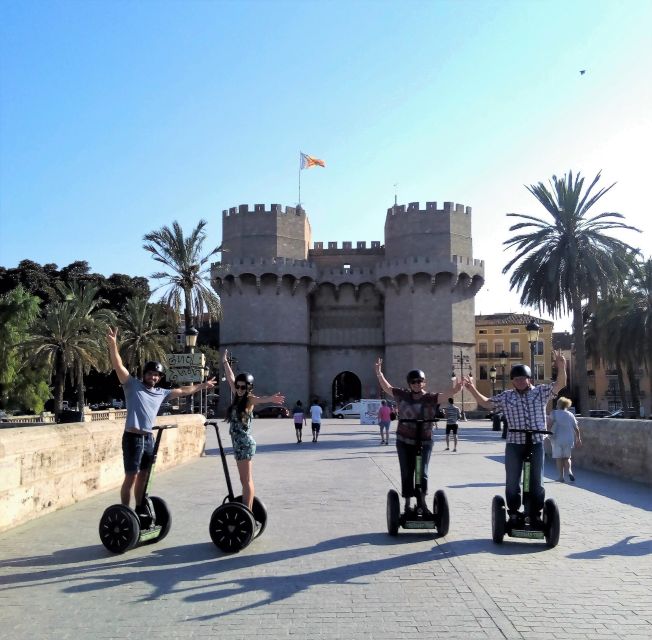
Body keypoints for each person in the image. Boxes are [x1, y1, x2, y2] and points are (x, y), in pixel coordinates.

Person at [106, 327, 217, 508]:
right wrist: (113, 346)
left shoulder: (161, 393)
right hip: (133, 438)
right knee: (131, 477)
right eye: (150, 374)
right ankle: (125, 512)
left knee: (144, 476)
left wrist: (203, 385)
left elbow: (182, 391)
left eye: (156, 375)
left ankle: (139, 509)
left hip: (148, 439)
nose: (153, 377)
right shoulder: (131, 385)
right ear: (145, 374)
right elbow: (118, 366)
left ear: (159, 377)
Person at [463, 350, 567, 523]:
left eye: (522, 378)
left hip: (535, 442)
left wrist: (561, 366)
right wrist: (472, 389)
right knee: (512, 481)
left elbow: (560, 384)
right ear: (512, 381)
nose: (519, 381)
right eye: (516, 379)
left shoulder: (540, 392)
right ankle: (513, 511)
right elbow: (486, 403)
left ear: (529, 379)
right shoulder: (506, 396)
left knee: (537, 481)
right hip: (514, 444)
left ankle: (535, 512)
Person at [375, 358, 462, 513]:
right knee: (407, 471)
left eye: (419, 381)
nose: (417, 384)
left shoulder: (430, 398)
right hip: (404, 440)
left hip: (425, 441)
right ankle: (408, 504)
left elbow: (445, 395)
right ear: (409, 383)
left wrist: (457, 388)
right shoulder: (402, 395)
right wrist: (379, 373)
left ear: (424, 382)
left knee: (423, 472)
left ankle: (422, 502)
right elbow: (387, 388)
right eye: (414, 382)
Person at [222, 350, 284, 510]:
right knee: (244, 480)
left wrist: (272, 399)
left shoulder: (249, 399)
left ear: (249, 388)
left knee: (246, 480)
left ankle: (247, 512)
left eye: (244, 387)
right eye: (238, 386)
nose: (240, 388)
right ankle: (247, 508)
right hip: (238, 443)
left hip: (244, 443)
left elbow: (260, 400)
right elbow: (230, 378)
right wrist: (225, 362)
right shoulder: (237, 396)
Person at [549, 396, 581, 482]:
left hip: (557, 438)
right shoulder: (570, 414)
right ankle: (569, 471)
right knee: (567, 457)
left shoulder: (554, 413)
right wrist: (578, 439)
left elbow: (549, 425)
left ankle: (561, 477)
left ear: (558, 404)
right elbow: (576, 428)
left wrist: (547, 434)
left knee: (559, 458)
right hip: (569, 439)